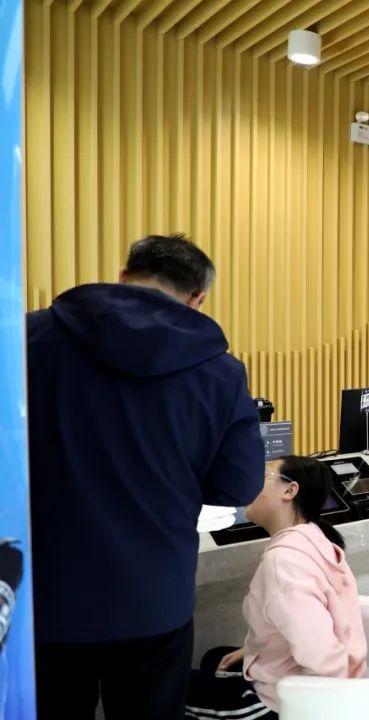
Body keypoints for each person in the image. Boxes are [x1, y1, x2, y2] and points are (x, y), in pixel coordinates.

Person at [27, 234, 265, 720]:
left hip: (44, 595)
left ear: (123, 276)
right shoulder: (220, 373)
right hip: (153, 597)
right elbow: (238, 486)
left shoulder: (26, 338)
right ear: (198, 298)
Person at [185, 456, 367, 719]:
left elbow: (323, 659)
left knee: (163, 692)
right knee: (215, 658)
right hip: (326, 677)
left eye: (264, 475)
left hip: (285, 702)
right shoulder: (315, 539)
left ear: (290, 490)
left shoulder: (285, 562)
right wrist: (253, 651)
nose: (250, 483)